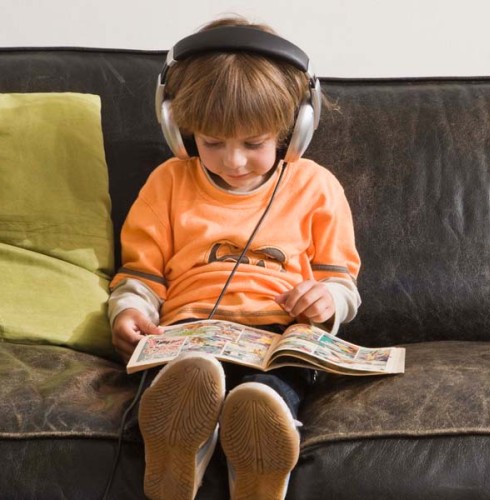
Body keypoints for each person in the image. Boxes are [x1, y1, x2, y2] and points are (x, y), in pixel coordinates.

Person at [108, 15, 361, 500]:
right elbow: (139, 274)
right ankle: (182, 441)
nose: (234, 161)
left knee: (268, 388)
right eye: (212, 142)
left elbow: (343, 283)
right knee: (186, 374)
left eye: (254, 143)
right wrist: (130, 312)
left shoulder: (316, 187)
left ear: (297, 129)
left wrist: (325, 299)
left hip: (277, 334)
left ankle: (262, 442)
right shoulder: (168, 182)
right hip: (185, 332)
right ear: (178, 130)